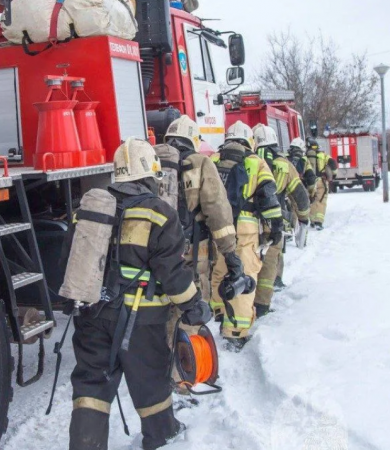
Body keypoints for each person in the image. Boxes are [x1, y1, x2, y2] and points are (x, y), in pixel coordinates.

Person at [69, 138, 209, 450]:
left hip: (92, 316)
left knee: (91, 387)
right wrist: (193, 306)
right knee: (150, 384)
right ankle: (162, 437)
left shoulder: (89, 210)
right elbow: (172, 274)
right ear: (148, 175)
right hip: (140, 322)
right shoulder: (159, 214)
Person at [161, 116, 242, 337]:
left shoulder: (152, 161)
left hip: (154, 251)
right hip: (191, 249)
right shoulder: (200, 163)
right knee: (191, 302)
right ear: (194, 140)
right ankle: (186, 359)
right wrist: (230, 251)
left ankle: (162, 356)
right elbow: (217, 209)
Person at [209, 121, 283, 350]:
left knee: (219, 270)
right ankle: (236, 331)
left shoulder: (212, 160)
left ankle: (219, 313)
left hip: (217, 229)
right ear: (248, 141)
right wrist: (276, 228)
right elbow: (269, 199)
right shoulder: (257, 163)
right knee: (243, 276)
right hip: (245, 231)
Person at [251, 125, 311, 317]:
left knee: (248, 261)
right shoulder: (285, 165)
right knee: (269, 261)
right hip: (274, 222)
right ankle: (261, 305)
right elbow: (299, 195)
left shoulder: (248, 161)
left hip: (247, 222)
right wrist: (304, 218)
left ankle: (244, 302)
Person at [306, 138, 337, 230]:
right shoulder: (324, 156)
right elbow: (333, 163)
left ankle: (312, 221)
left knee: (311, 201)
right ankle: (319, 222)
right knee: (321, 201)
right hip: (321, 182)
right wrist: (333, 175)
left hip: (309, 182)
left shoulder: (305, 156)